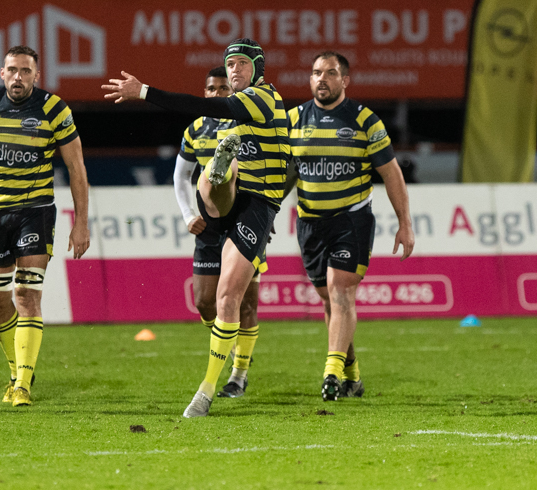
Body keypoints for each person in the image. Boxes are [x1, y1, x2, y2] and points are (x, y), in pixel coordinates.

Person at [104, 38, 288, 418]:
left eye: (241, 64)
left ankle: (207, 390)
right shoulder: (224, 121)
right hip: (230, 204)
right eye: (229, 64)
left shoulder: (262, 98)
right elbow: (181, 167)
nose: (234, 70)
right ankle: (216, 176)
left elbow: (205, 105)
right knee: (212, 177)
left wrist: (145, 92)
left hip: (257, 206)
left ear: (258, 68)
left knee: (228, 298)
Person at [0, 46, 91, 407]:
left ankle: (23, 384)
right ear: (1, 72)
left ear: (36, 75)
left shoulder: (54, 109)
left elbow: (76, 168)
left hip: (36, 212)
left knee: (27, 295)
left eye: (26, 71)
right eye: (12, 70)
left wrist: (81, 223)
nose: (18, 77)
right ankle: (17, 368)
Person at [286, 52, 414, 401]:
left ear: (345, 81)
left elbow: (391, 173)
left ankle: (330, 374)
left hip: (351, 219)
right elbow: (289, 174)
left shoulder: (364, 120)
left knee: (340, 291)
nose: (321, 79)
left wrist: (405, 223)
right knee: (331, 302)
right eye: (315, 72)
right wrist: (266, 212)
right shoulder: (293, 120)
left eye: (330, 73)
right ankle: (352, 372)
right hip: (310, 222)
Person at [173, 67, 263, 398]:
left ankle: (238, 375)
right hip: (208, 222)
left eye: (223, 88)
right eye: (210, 89)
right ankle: (225, 343)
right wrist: (187, 214)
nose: (216, 94)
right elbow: (180, 176)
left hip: (244, 219)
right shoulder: (196, 128)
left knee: (246, 302)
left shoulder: (249, 123)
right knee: (204, 301)